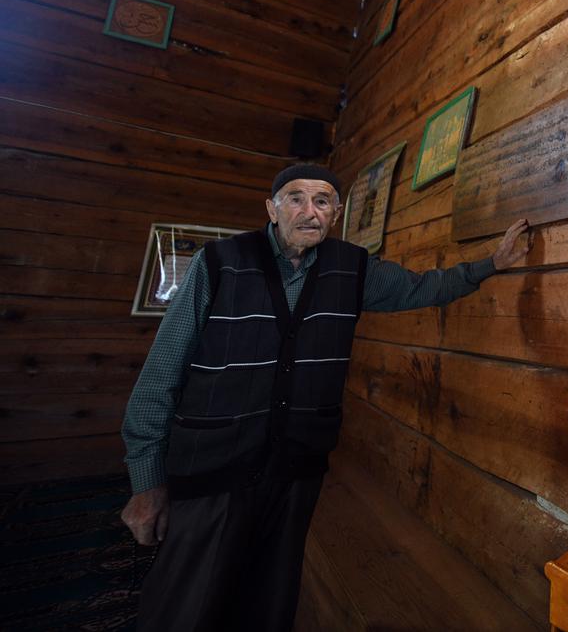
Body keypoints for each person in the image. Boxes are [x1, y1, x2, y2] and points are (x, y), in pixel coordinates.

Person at [119, 163, 531, 631]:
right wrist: (146, 479)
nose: (309, 211)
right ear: (272, 208)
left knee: (268, 602)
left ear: (335, 214)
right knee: (185, 606)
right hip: (213, 470)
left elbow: (424, 287)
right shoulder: (218, 263)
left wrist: (492, 263)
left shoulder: (352, 269)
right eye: (295, 198)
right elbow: (160, 376)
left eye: (322, 201)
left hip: (295, 471)